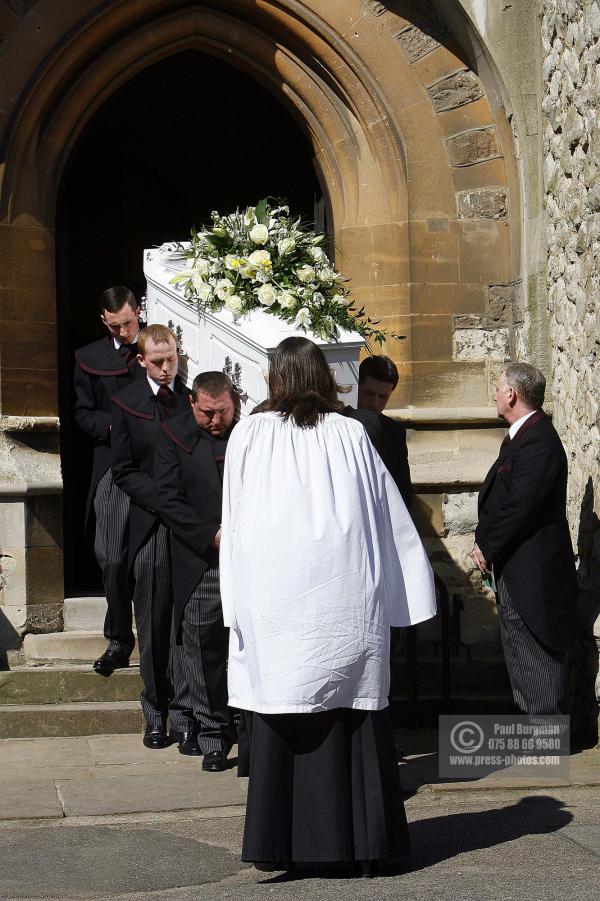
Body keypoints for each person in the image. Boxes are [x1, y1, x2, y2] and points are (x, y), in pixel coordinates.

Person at [220, 336, 436, 874]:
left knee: (284, 699)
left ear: (275, 378)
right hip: (343, 600)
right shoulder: (351, 432)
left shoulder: (249, 433)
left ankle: (285, 845)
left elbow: (236, 523)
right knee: (350, 710)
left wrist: (236, 601)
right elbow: (384, 517)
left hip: (276, 602)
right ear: (324, 376)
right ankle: (362, 845)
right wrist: (404, 587)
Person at [472, 362, 580, 716]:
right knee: (518, 644)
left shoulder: (537, 441)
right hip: (517, 566)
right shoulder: (524, 437)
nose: (495, 393)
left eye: (498, 387)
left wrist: (488, 546)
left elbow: (520, 505)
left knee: (534, 646)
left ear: (512, 394)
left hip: (532, 570)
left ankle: (546, 733)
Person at [111, 324, 192, 749]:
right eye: (158, 361)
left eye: (172, 359)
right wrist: (163, 501)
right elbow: (123, 469)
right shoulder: (126, 403)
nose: (166, 368)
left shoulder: (189, 400)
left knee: (185, 623)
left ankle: (184, 712)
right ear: (141, 360)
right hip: (151, 524)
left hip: (188, 528)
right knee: (154, 621)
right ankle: (155, 711)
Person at [154, 371, 237, 771]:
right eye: (207, 413)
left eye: (222, 411)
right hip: (202, 558)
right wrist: (211, 535)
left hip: (251, 559)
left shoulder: (252, 435)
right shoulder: (174, 437)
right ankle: (212, 735)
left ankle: (245, 725)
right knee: (202, 645)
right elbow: (168, 500)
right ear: (193, 404)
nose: (216, 420)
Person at [73, 285, 142, 676]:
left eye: (129, 323)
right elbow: (84, 413)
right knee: (112, 556)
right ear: (104, 319)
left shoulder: (158, 346)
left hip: (157, 466)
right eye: (115, 325)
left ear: (138, 311)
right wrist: (116, 426)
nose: (123, 331)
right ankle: (119, 639)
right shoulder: (90, 358)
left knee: (155, 564)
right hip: (114, 464)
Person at [356, 355, 412, 508]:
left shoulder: (394, 431)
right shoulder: (337, 426)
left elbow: (403, 488)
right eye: (369, 394)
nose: (375, 403)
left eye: (383, 397)